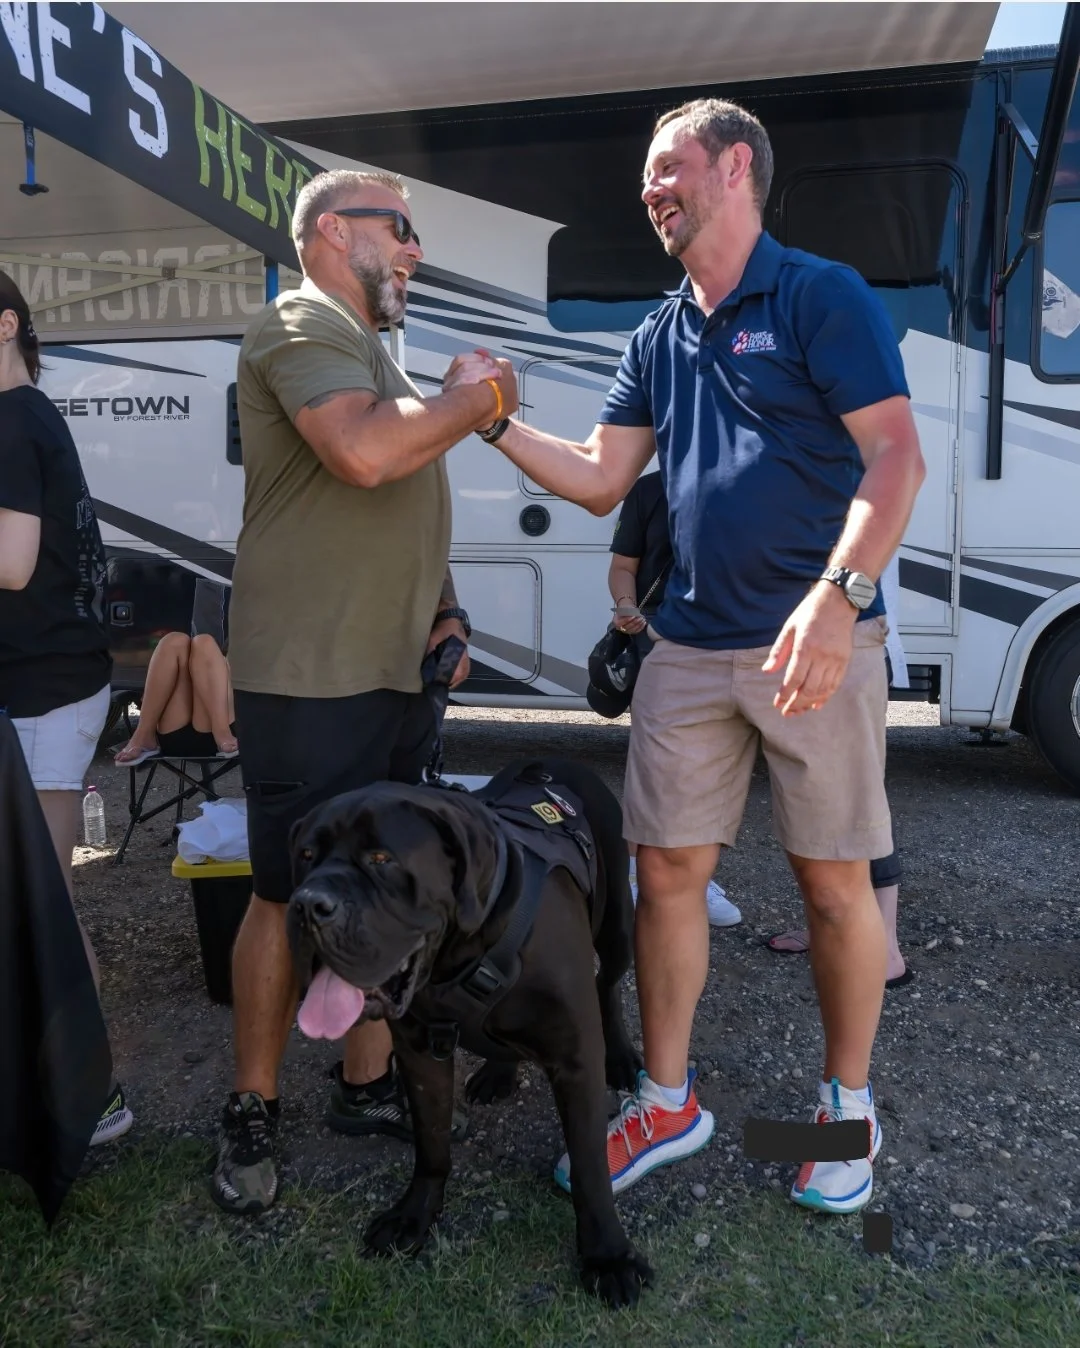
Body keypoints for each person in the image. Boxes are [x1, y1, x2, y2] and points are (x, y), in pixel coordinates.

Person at [477, 98, 925, 1213]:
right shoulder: (657, 330)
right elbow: (595, 474)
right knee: (666, 873)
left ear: (735, 168)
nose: (649, 188)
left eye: (666, 166)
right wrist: (489, 420)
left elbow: (896, 457)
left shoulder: (820, 294)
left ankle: (846, 1109)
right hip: (686, 644)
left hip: (815, 640)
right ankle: (669, 1100)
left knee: (834, 886)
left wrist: (837, 599)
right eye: (645, 175)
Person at [211, 168, 515, 1214]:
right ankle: (251, 1104)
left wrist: (446, 605)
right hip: (307, 670)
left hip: (389, 667)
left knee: (385, 888)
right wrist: (478, 398)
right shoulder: (297, 321)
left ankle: (363, 1077)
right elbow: (364, 455)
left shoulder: (371, 348)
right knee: (284, 891)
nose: (417, 250)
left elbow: (407, 487)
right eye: (405, 229)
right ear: (337, 232)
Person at [0, 272, 133, 1145]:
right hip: (57, 682)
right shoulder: (34, 414)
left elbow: (12, 565)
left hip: (44, 692)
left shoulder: (11, 422)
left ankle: (96, 1097)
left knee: (44, 903)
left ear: (5, 323)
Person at [591, 469, 741, 928]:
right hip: (661, 643)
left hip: (732, 639)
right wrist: (625, 605)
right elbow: (623, 566)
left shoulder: (743, 478)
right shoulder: (648, 489)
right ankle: (642, 875)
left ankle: (695, 879)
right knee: (659, 771)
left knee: (709, 776)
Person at [766, 553, 913, 988]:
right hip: (803, 640)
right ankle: (829, 931)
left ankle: (886, 950)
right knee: (820, 811)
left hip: (844, 641)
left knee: (858, 805)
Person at [113, 631, 237, 766]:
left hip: (213, 730)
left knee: (204, 642)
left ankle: (222, 732)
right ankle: (144, 735)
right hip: (174, 734)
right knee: (173, 640)